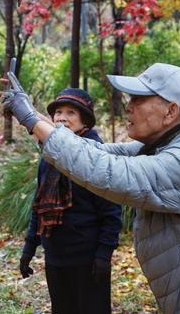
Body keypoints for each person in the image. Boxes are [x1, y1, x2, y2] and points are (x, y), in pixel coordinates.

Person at [0, 63, 180, 313]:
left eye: (139, 99)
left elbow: (108, 172)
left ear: (171, 111)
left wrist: (28, 116)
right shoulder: (161, 148)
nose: (128, 106)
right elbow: (90, 150)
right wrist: (29, 112)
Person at [20, 88, 121, 314]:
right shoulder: (49, 157)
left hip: (88, 259)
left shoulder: (96, 155)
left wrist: (104, 255)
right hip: (56, 257)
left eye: (71, 112)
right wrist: (29, 249)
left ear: (84, 119)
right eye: (58, 112)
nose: (62, 118)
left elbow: (111, 211)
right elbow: (39, 206)